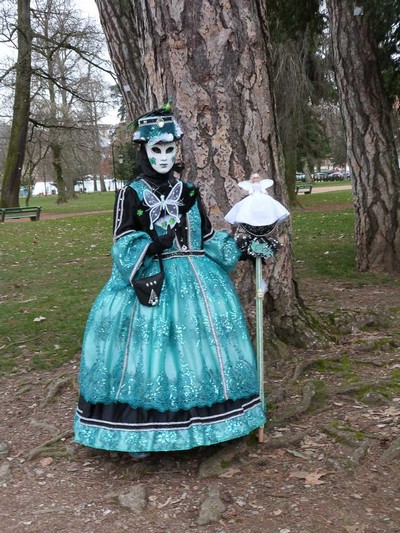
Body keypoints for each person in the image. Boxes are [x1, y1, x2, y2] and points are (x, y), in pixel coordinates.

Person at [74, 103, 265, 458]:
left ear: (178, 150)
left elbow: (206, 237)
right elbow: (122, 245)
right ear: (143, 151)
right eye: (156, 149)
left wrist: (242, 246)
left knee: (199, 347)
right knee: (151, 350)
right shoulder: (129, 194)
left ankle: (214, 426)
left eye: (169, 149)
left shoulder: (190, 192)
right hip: (152, 281)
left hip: (200, 281)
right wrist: (151, 245)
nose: (164, 156)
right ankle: (140, 434)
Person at [224, 173, 290, 228]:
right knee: (248, 206)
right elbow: (250, 189)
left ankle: (266, 218)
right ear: (252, 179)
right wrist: (251, 192)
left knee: (268, 205)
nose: (256, 179)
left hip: (261, 195)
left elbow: (262, 189)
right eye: (255, 178)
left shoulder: (260, 184)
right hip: (253, 195)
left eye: (257, 178)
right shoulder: (251, 185)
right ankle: (252, 221)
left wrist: (264, 192)